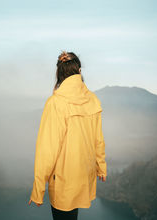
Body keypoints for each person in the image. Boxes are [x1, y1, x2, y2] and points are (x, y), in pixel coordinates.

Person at [28, 50, 107, 219]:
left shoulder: (55, 103)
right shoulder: (93, 100)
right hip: (84, 176)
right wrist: (101, 167)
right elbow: (98, 139)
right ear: (79, 72)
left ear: (60, 74)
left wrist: (38, 189)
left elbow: (47, 151)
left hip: (63, 181)